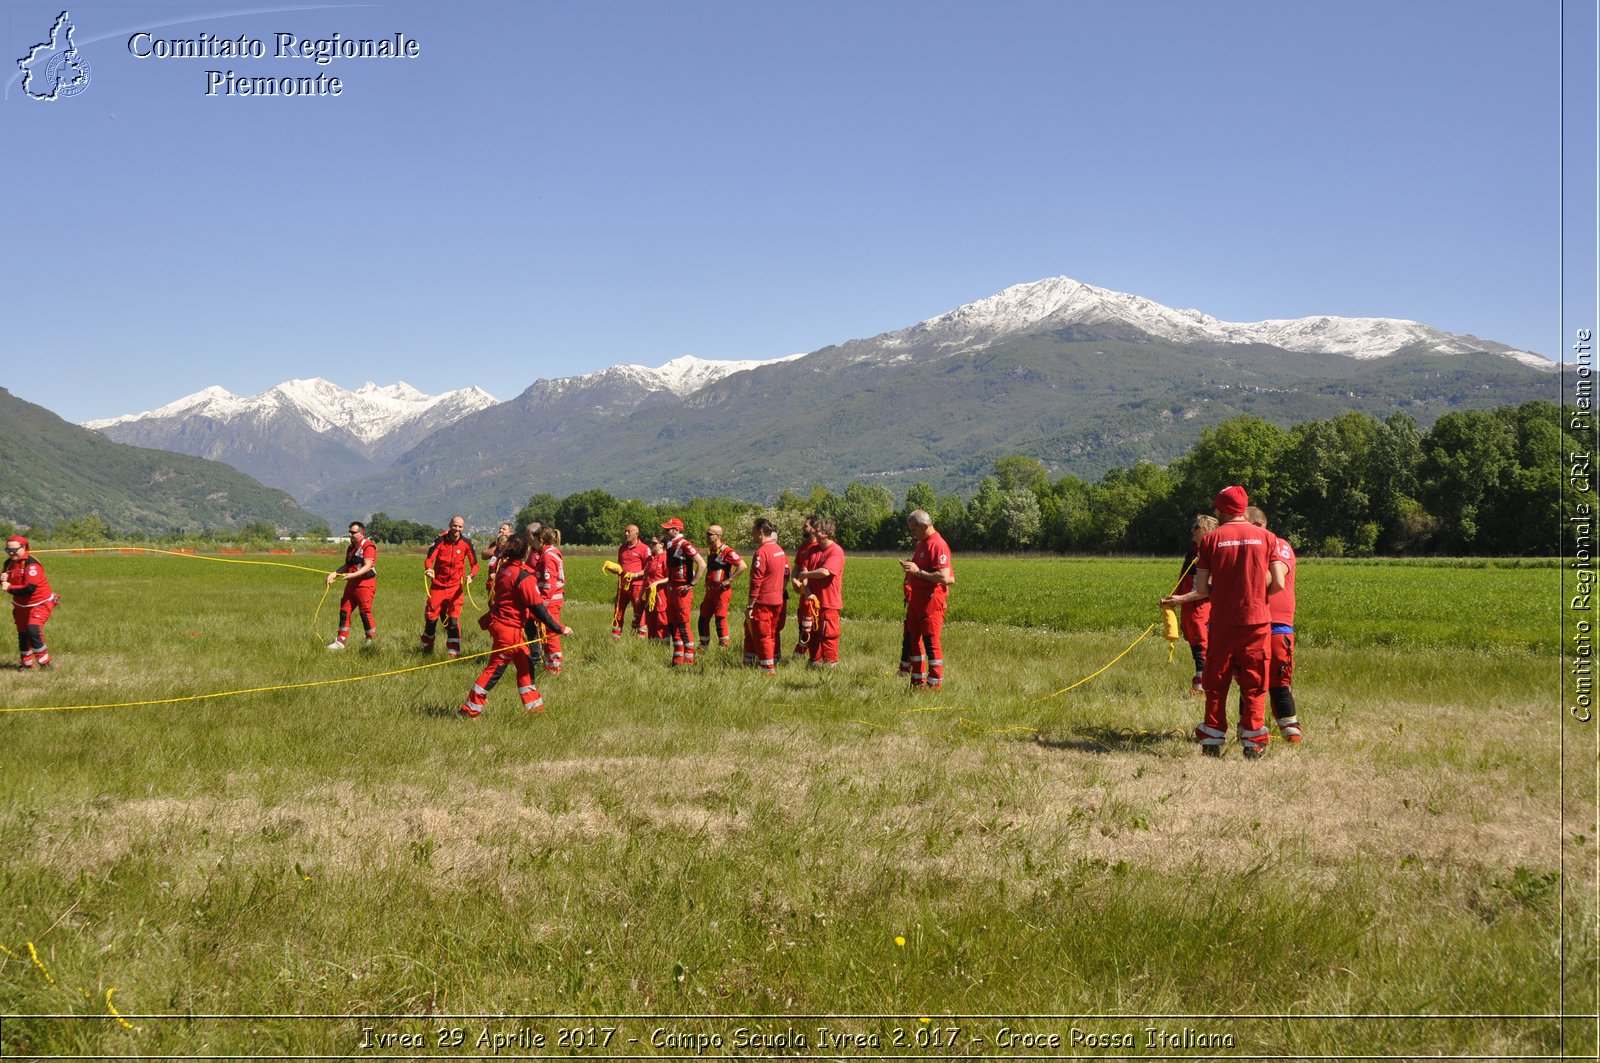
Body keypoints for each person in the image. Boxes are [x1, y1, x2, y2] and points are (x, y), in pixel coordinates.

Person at [1161, 486, 1287, 759]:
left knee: (1216, 682)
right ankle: (1253, 742)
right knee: (1254, 684)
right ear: (1244, 509)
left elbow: (1204, 589)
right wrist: (1255, 595)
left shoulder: (1210, 541)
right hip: (1257, 621)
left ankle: (1212, 738)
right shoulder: (1267, 538)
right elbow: (1278, 582)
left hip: (1222, 622)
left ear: (1220, 509)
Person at [459, 533, 571, 718]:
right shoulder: (523, 577)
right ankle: (468, 710)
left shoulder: (505, 568)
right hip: (508, 631)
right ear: (526, 552)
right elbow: (539, 609)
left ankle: (534, 710)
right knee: (495, 669)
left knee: (525, 663)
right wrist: (560, 628)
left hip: (504, 626)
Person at [1249, 505, 1301, 744]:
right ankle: (1250, 732)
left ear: (1259, 526)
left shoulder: (1278, 545)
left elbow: (1275, 576)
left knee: (1279, 684)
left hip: (1276, 624)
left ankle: (1292, 737)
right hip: (1252, 622)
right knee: (1252, 683)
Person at [898, 510, 954, 690]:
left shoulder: (938, 545)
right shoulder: (922, 543)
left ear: (924, 526)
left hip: (931, 602)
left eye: (914, 530)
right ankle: (917, 682)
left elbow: (945, 578)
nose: (912, 533)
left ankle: (934, 684)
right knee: (913, 640)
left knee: (931, 642)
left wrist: (917, 572)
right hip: (917, 601)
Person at [420, 515, 478, 658]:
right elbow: (429, 559)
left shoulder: (466, 543)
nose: (457, 529)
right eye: (454, 526)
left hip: (455, 589)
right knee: (431, 618)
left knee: (453, 620)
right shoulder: (440, 540)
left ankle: (454, 653)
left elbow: (475, 564)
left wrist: (471, 576)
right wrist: (429, 569)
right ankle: (427, 648)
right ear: (449, 526)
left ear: (463, 528)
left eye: (460, 527)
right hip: (438, 586)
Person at [1177, 514, 1219, 694]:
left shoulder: (1210, 553)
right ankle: (1199, 684)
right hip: (1188, 604)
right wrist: (1174, 598)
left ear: (1207, 530)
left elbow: (1207, 587)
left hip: (1201, 605)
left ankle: (1204, 686)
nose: (1192, 530)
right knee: (1194, 641)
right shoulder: (1194, 551)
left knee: (1203, 643)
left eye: (1196, 527)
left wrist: (1181, 599)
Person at [796, 517, 845, 669]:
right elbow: (804, 573)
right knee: (813, 635)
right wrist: (808, 592)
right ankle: (814, 665)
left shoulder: (836, 551)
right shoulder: (812, 550)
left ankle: (830, 668)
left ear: (825, 533)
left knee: (829, 636)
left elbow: (825, 572)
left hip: (829, 602)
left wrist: (806, 575)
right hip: (812, 602)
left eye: (817, 530)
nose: (814, 533)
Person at [3, 536, 58, 669]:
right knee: (22, 633)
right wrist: (2, 580)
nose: (11, 553)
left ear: (24, 548)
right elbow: (6, 583)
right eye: (8, 549)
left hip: (40, 603)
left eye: (14, 549)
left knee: (32, 630)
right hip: (21, 605)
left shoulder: (31, 564)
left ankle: (45, 663)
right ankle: (26, 664)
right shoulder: (8, 563)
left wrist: (9, 587)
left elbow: (29, 588)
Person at [743, 517, 788, 674]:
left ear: (760, 532)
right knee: (771, 634)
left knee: (762, 636)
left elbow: (756, 580)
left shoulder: (762, 552)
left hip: (763, 602)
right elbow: (785, 575)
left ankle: (767, 670)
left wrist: (750, 605)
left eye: (753, 531)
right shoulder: (779, 550)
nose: (752, 534)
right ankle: (764, 664)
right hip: (777, 600)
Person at [660, 517, 706, 666]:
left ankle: (689, 658)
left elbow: (701, 564)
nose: (665, 532)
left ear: (676, 530)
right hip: (672, 589)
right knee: (673, 624)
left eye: (668, 529)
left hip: (682, 591)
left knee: (683, 624)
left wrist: (691, 584)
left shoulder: (685, 545)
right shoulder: (670, 545)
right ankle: (677, 658)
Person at [326, 520, 377, 649]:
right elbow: (347, 566)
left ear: (361, 533)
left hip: (365, 585)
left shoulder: (368, 546)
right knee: (344, 610)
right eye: (349, 532)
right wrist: (334, 574)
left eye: (353, 532)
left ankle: (370, 641)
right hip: (351, 585)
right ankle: (340, 641)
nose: (350, 534)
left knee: (364, 612)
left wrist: (352, 575)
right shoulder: (350, 547)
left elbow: (367, 566)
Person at [698, 524, 747, 650]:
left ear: (718, 536)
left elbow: (742, 566)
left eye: (710, 534)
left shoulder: (727, 551)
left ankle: (724, 647)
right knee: (703, 619)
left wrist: (729, 580)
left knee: (720, 619)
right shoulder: (710, 551)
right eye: (706, 533)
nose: (707, 536)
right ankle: (703, 646)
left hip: (721, 592)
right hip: (710, 591)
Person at [535, 527, 567, 674]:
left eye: (535, 540)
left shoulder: (548, 556)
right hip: (551, 600)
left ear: (541, 540)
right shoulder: (549, 553)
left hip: (551, 601)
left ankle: (555, 667)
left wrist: (543, 603)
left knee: (551, 632)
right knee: (546, 632)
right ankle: (550, 665)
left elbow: (549, 582)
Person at [613, 524, 651, 640]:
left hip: (637, 585)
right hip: (622, 585)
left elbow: (648, 569)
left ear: (636, 534)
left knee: (639, 612)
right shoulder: (622, 548)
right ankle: (615, 638)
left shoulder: (644, 548)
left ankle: (641, 637)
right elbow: (620, 566)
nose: (626, 534)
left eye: (629, 531)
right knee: (618, 611)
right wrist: (615, 570)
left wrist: (635, 575)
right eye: (625, 531)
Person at [790, 516, 820, 658]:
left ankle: (806, 653)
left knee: (811, 627)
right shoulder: (802, 547)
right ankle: (803, 652)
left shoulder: (820, 548)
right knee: (802, 625)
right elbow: (796, 567)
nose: (803, 528)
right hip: (803, 595)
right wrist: (794, 580)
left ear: (814, 529)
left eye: (806, 526)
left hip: (814, 595)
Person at [643, 535, 670, 642]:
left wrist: (657, 583)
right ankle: (652, 644)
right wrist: (641, 595)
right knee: (650, 619)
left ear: (661, 545)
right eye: (651, 543)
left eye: (654, 543)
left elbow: (670, 577)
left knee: (661, 619)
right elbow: (645, 578)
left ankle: (664, 644)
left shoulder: (666, 558)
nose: (651, 545)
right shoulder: (649, 559)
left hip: (661, 594)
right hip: (649, 594)